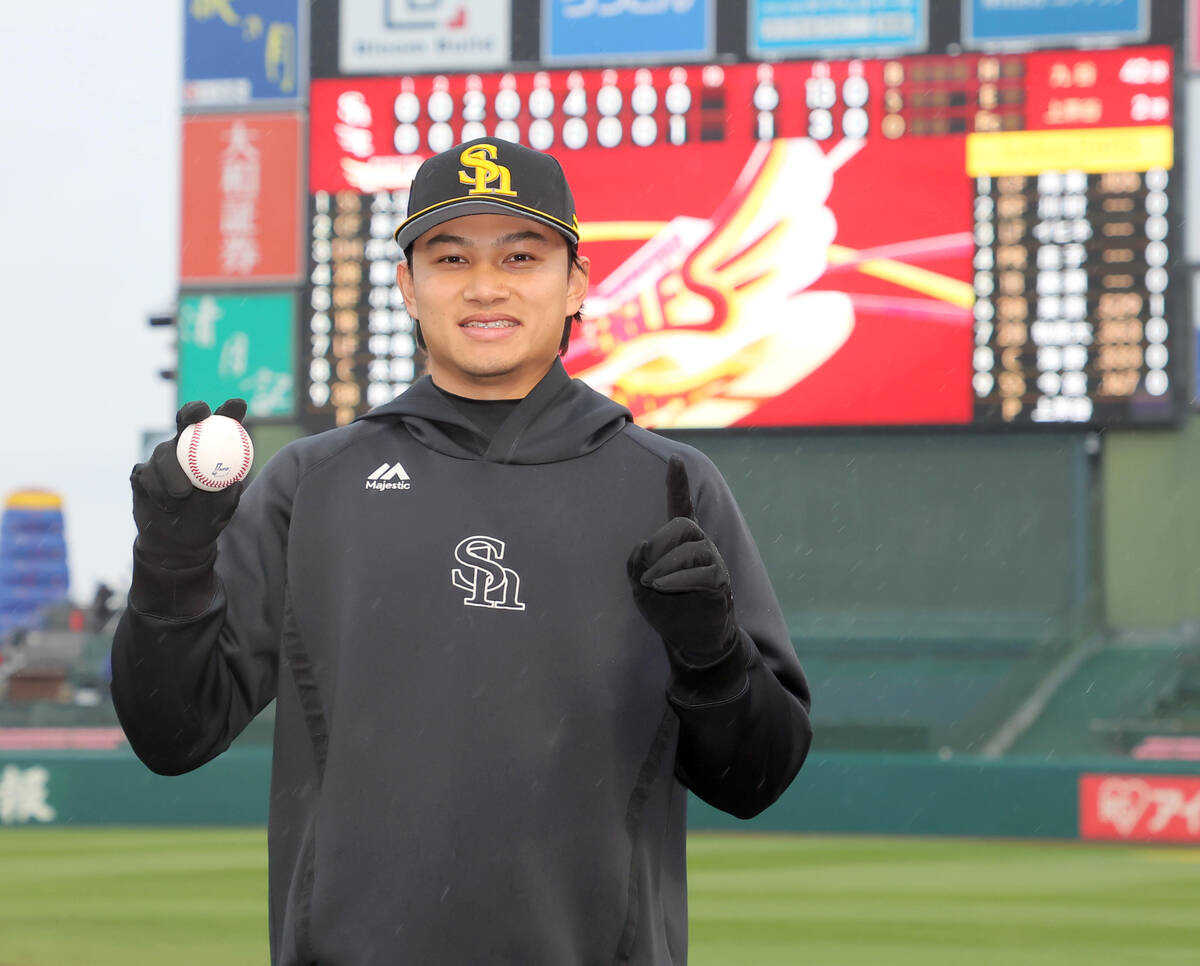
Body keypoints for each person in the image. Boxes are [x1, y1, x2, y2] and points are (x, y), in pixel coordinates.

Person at [111, 137, 812, 965]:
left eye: (522, 254)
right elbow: (173, 734)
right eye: (450, 257)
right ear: (408, 285)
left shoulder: (670, 485)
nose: (486, 285)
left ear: (576, 282)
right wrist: (172, 567)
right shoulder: (316, 482)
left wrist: (712, 659)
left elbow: (756, 779)